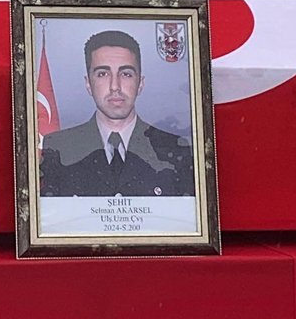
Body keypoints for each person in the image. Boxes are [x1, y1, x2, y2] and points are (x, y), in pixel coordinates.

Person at [39, 30, 194, 197]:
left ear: (140, 84)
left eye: (126, 74)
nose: (115, 86)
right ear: (88, 84)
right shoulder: (60, 147)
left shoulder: (174, 148)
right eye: (103, 74)